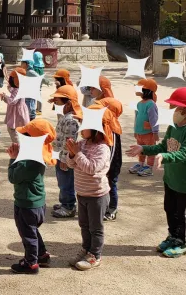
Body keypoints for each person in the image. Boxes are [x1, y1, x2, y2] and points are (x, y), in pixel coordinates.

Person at [127, 87, 186, 258]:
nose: (174, 111)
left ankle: (183, 242)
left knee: (183, 214)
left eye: (177, 108)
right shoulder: (173, 127)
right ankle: (173, 236)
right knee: (169, 209)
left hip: (185, 181)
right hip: (170, 179)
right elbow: (162, 147)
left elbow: (184, 154)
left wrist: (164, 156)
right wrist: (143, 148)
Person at [65, 105, 114, 271]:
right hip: (82, 192)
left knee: (96, 227)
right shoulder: (82, 143)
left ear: (95, 129)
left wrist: (77, 153)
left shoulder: (103, 148)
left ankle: (95, 255)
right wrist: (71, 154)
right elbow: (71, 164)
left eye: (84, 125)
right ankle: (86, 249)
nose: (80, 128)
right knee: (84, 225)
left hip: (97, 195)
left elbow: (91, 168)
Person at [7, 118, 56, 274]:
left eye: (24, 135)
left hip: (27, 204)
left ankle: (31, 263)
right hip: (37, 203)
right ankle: (41, 255)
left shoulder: (29, 161)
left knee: (28, 235)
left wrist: (13, 158)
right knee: (32, 231)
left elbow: (13, 177)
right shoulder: (37, 155)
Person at [51, 84, 82, 218]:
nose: (55, 104)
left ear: (68, 104)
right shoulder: (65, 117)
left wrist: (64, 159)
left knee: (66, 182)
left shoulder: (71, 120)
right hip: (60, 155)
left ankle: (68, 206)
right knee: (62, 180)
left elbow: (69, 141)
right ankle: (64, 202)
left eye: (58, 102)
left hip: (65, 158)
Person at [95, 96, 123, 221]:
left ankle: (112, 208)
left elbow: (112, 152)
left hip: (111, 166)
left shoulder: (112, 130)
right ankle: (104, 206)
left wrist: (106, 168)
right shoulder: (105, 125)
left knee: (111, 185)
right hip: (105, 165)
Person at [129, 78, 159, 177]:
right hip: (140, 133)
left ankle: (149, 168)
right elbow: (136, 118)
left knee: (150, 150)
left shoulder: (151, 104)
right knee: (140, 149)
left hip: (149, 133)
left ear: (146, 91)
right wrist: (135, 130)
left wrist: (155, 132)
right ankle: (141, 164)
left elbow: (154, 119)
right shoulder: (139, 103)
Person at [0, 68, 30, 144]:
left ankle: (18, 145)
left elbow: (13, 101)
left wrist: (5, 96)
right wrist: (9, 88)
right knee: (19, 129)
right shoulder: (21, 87)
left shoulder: (18, 90)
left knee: (12, 129)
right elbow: (14, 91)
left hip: (17, 113)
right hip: (19, 111)